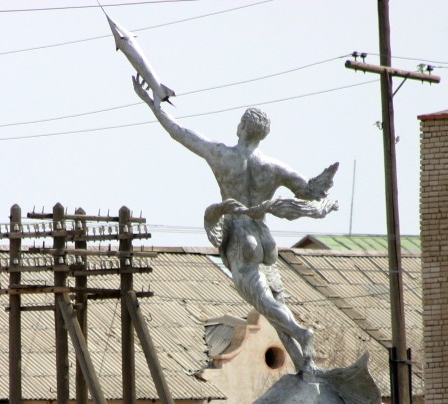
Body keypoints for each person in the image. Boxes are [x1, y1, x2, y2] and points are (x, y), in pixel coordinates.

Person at [134, 77, 339, 374]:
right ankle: (305, 365)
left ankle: (301, 332)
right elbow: (309, 191)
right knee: (270, 304)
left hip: (242, 240)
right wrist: (325, 190)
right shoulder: (274, 167)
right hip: (265, 238)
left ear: (241, 128)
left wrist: (152, 102)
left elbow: (178, 131)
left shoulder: (221, 156)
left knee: (267, 305)